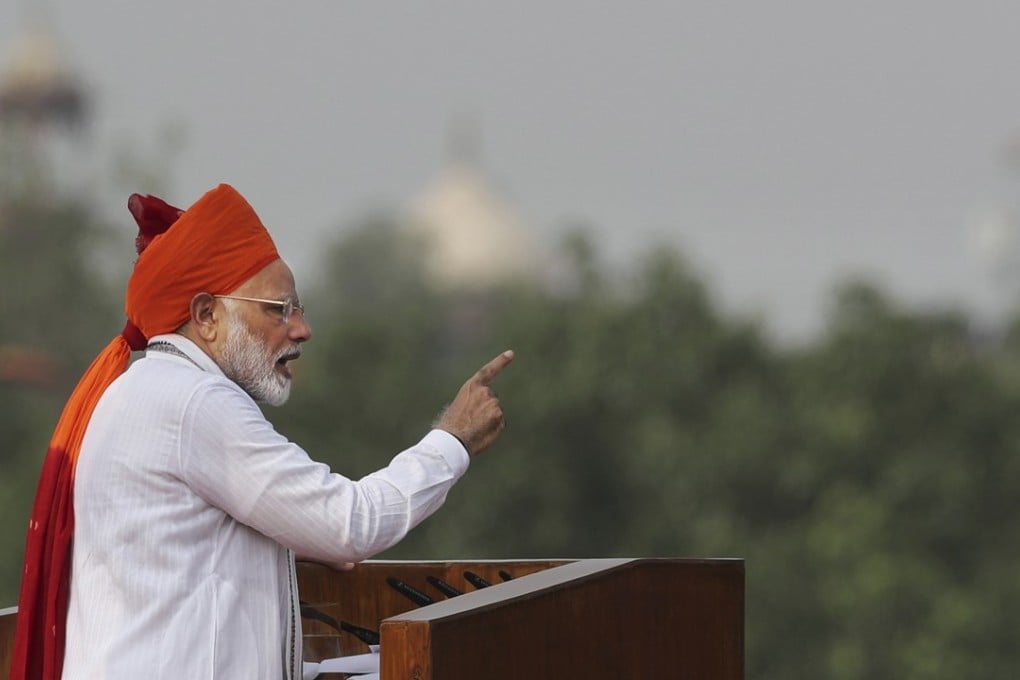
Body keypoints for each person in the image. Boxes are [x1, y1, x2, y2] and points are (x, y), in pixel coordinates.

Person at [11, 184, 513, 680]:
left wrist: (296, 539)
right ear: (207, 316)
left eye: (298, 308)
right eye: (278, 309)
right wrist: (453, 438)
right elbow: (350, 524)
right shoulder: (195, 403)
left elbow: (185, 546)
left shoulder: (141, 391)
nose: (301, 329)